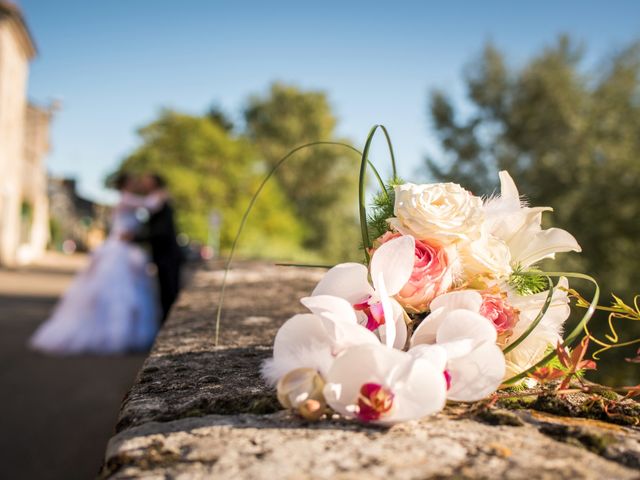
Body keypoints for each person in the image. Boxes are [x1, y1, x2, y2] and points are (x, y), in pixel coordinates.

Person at [29, 173, 161, 354]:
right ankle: (115, 334)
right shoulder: (127, 199)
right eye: (132, 181)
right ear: (124, 184)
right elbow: (152, 204)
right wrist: (161, 193)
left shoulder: (127, 200)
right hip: (119, 248)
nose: (135, 184)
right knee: (118, 292)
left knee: (125, 292)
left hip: (125, 248)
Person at [127, 173, 182, 322]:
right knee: (165, 292)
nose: (143, 184)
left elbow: (161, 231)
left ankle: (169, 321)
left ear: (154, 184)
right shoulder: (156, 200)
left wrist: (136, 237)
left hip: (167, 254)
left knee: (169, 292)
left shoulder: (160, 201)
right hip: (163, 254)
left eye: (146, 181)